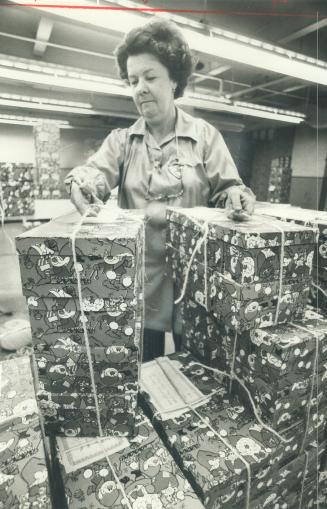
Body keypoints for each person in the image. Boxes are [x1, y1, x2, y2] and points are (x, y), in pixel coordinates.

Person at [65, 19, 255, 362]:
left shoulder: (206, 137)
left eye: (150, 77)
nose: (140, 88)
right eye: (133, 80)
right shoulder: (122, 142)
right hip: (139, 280)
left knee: (196, 369)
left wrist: (236, 199)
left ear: (175, 80)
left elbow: (230, 190)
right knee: (143, 371)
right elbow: (94, 174)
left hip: (195, 281)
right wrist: (83, 182)